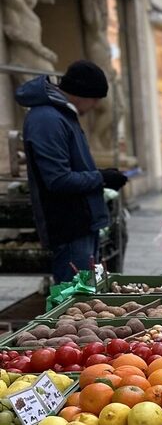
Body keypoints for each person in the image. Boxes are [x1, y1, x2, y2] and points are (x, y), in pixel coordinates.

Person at [15, 61, 128, 283]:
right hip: (69, 225)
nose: (96, 105)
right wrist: (101, 178)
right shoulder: (47, 118)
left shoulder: (62, 114)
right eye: (95, 98)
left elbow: (73, 167)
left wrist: (101, 175)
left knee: (86, 293)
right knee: (76, 296)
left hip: (82, 222)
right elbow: (57, 179)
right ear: (81, 93)